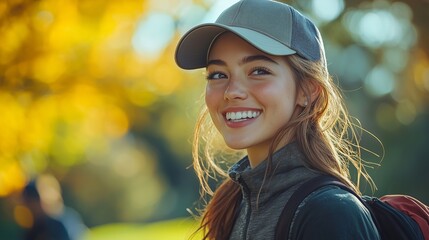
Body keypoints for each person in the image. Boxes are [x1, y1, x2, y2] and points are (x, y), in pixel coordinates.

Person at [175, 0, 382, 239]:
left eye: (258, 71)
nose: (232, 91)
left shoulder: (330, 213)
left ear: (307, 90)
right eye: (218, 74)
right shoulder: (231, 205)